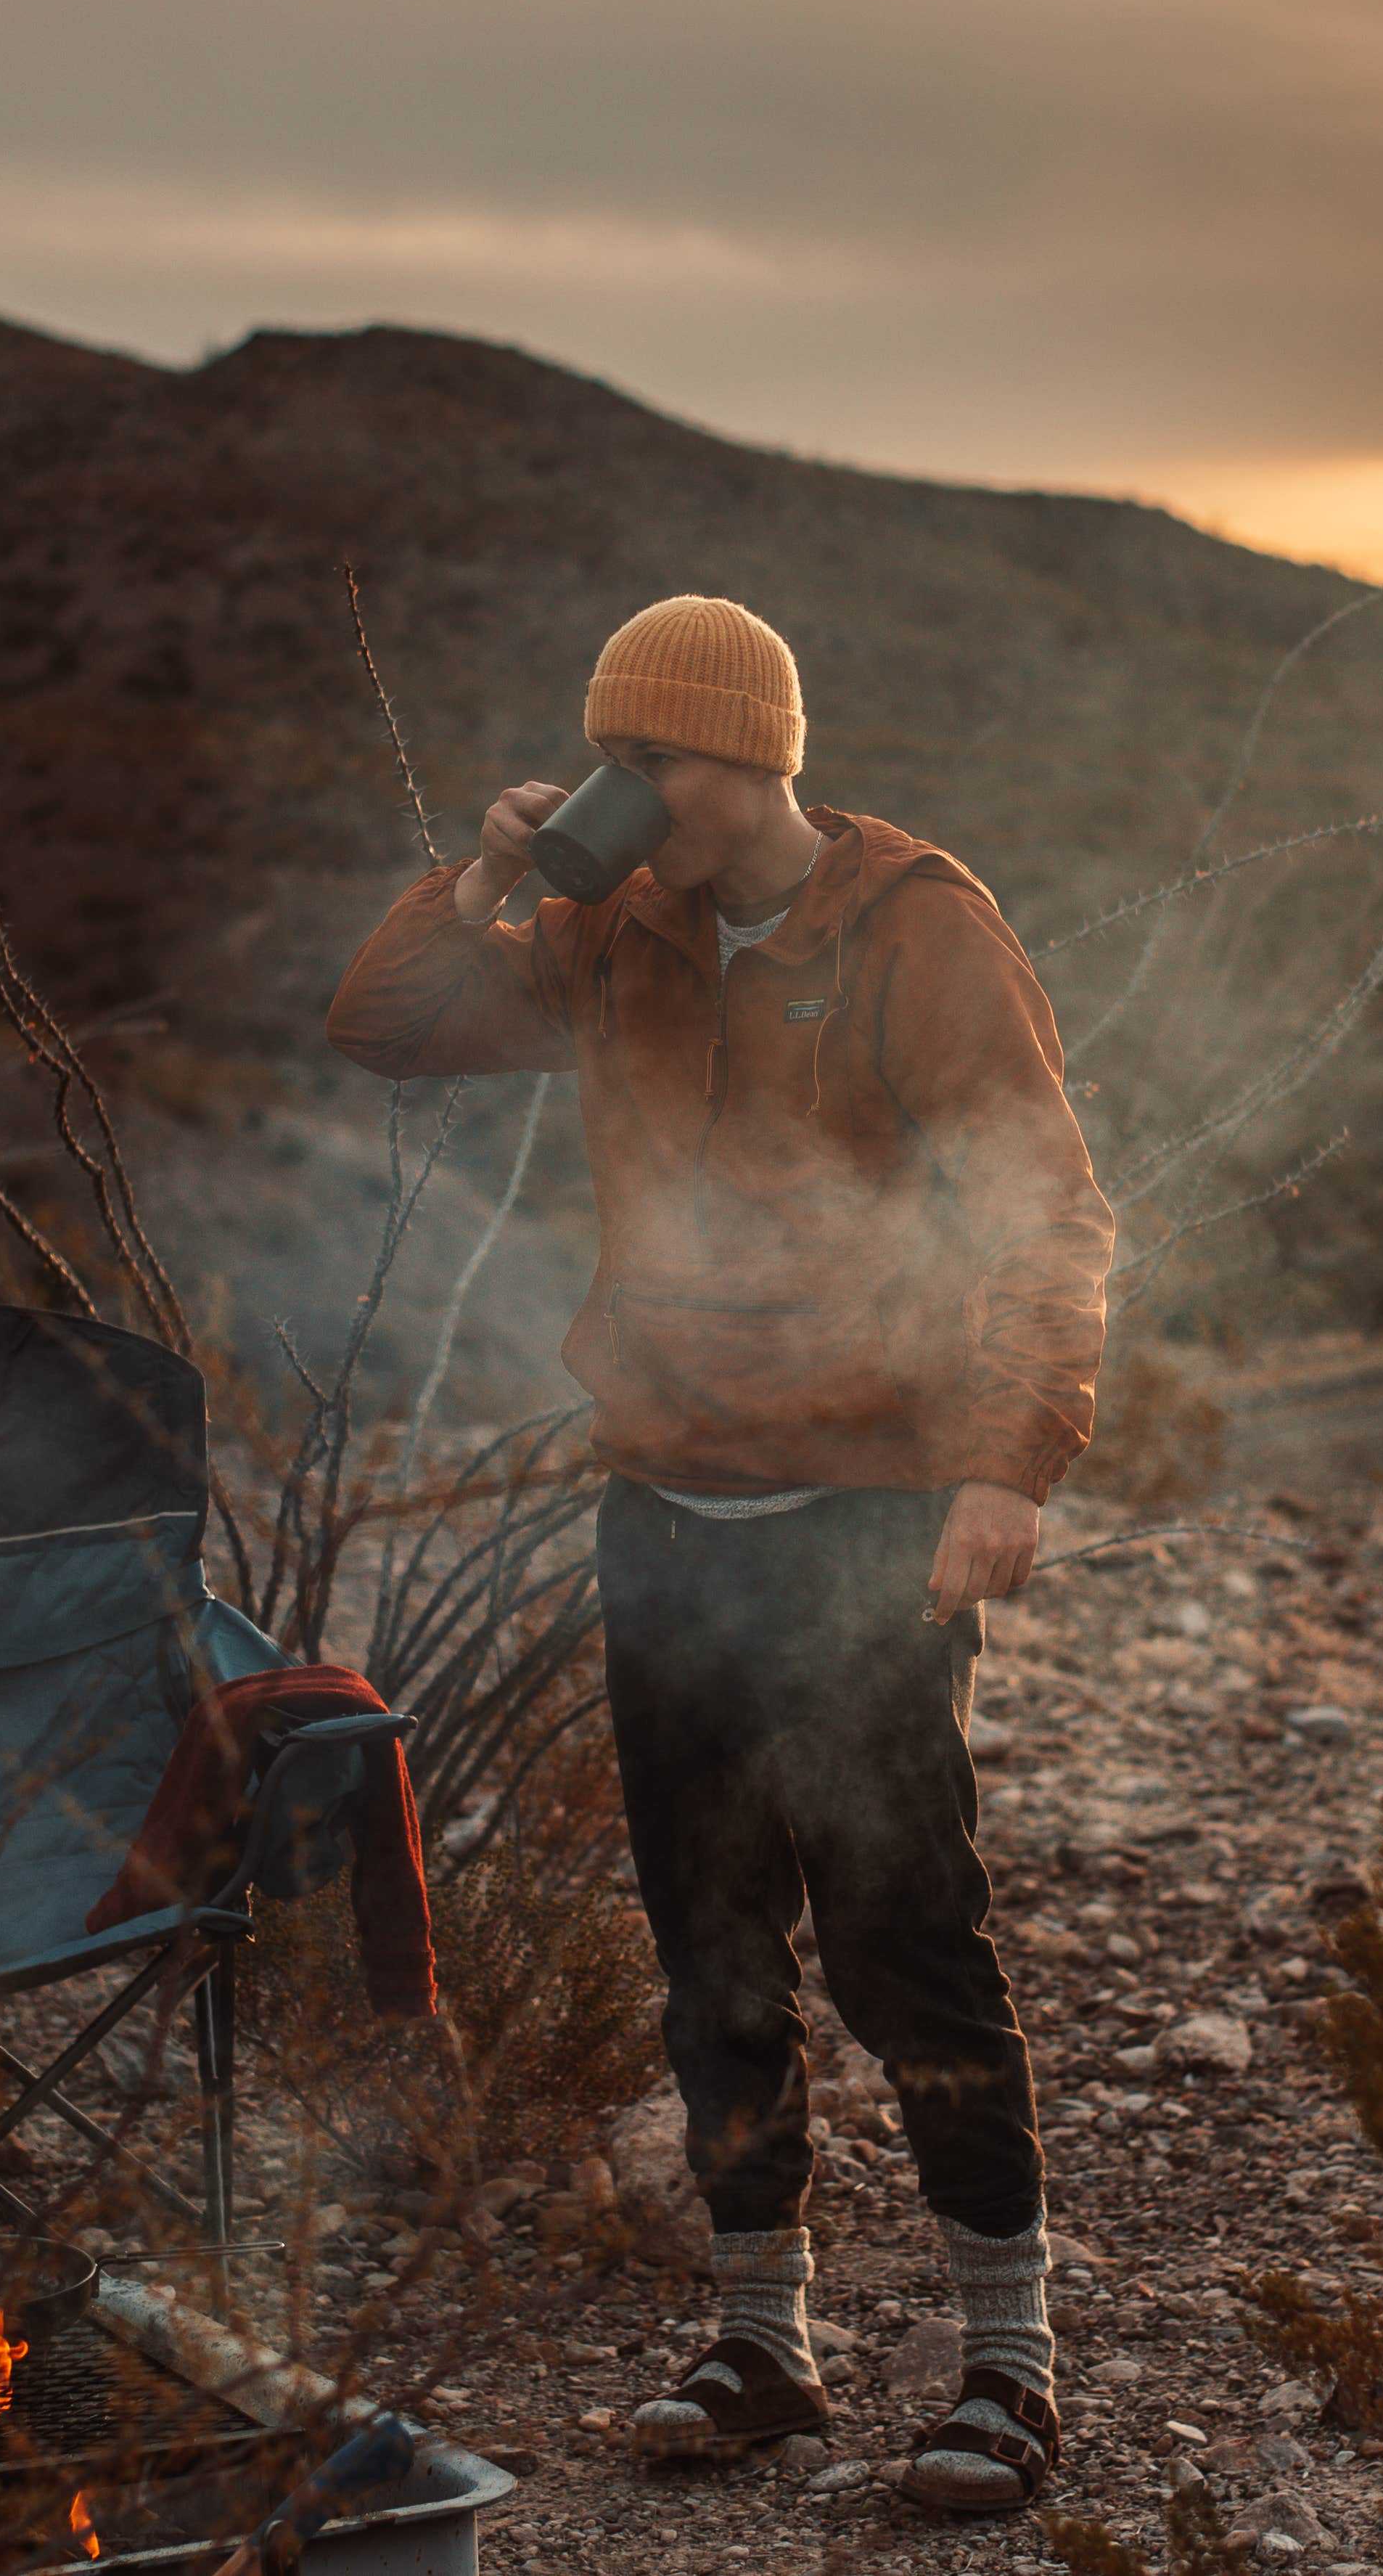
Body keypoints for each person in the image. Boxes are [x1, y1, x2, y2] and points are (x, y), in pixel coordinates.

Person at [327, 593, 1112, 2513]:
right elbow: (386, 1029)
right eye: (605, 758)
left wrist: (1007, 1468)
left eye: (649, 762)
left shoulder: (912, 929)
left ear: (749, 761)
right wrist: (486, 875)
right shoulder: (614, 925)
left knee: (903, 1937)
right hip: (666, 1505)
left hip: (861, 1516)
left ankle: (1006, 2366)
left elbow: (1045, 1209)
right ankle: (765, 2340)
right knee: (708, 1944)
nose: (619, 791)